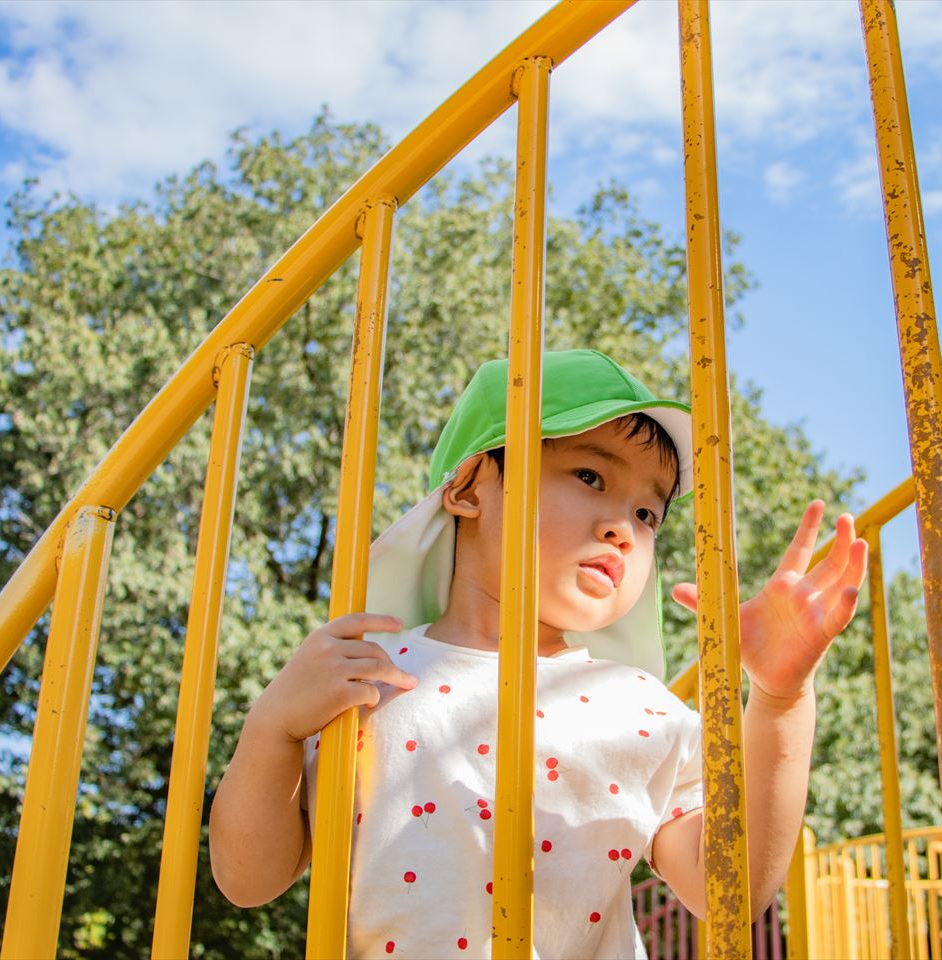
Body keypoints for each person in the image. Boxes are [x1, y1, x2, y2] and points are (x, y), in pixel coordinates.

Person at [209, 349, 868, 958]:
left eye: (647, 515)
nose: (623, 528)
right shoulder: (369, 673)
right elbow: (248, 879)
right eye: (589, 475)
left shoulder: (638, 705)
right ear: (468, 487)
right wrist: (273, 727)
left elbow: (729, 891)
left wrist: (780, 701)